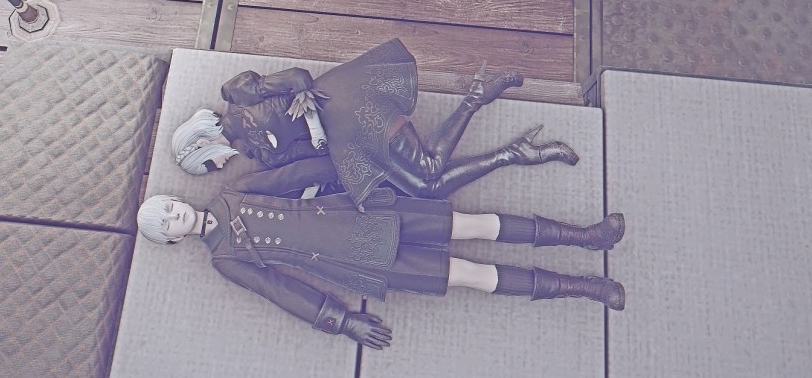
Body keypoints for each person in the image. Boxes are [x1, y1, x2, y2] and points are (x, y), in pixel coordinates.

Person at [137, 184, 626, 349]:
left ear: (176, 199)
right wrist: (340, 319)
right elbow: (279, 290)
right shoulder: (225, 259)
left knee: (472, 224)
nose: (175, 215)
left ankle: (585, 236)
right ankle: (583, 287)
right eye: (167, 223)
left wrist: (358, 176)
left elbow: (296, 173)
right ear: (173, 238)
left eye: (169, 207)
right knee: (470, 275)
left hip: (362, 213)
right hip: (360, 262)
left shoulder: (231, 193)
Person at [172, 39, 579, 210]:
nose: (218, 167)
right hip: (346, 144)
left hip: (346, 104)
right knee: (427, 189)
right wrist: (313, 191)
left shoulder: (237, 94)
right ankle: (510, 145)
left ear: (202, 144)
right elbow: (313, 155)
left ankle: (483, 106)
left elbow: (298, 78)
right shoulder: (257, 154)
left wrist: (310, 116)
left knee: (429, 172)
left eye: (208, 164)